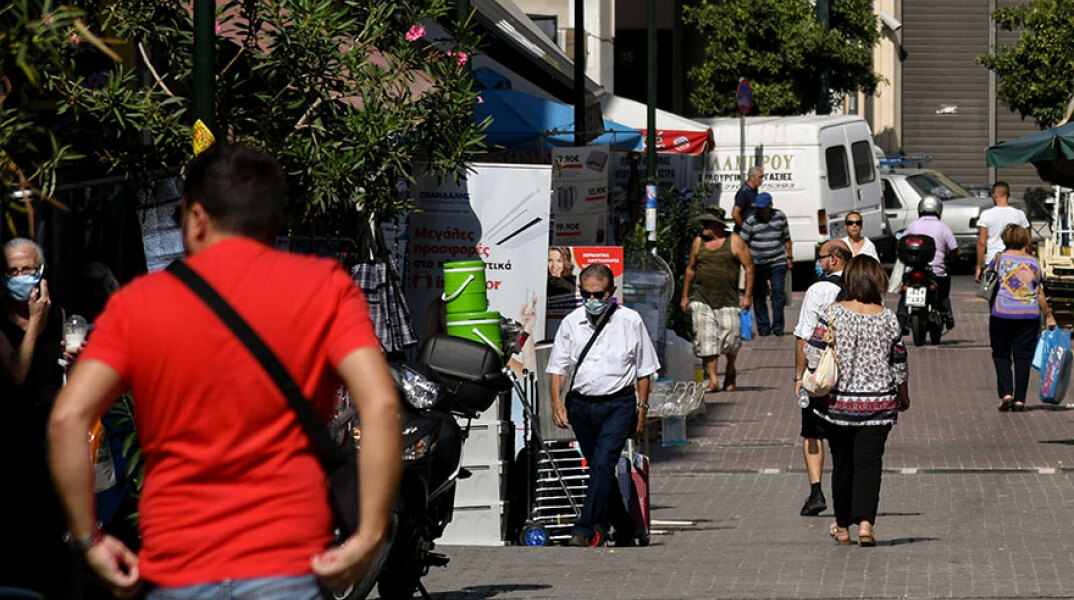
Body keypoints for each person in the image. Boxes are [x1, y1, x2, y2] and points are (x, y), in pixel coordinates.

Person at [48, 143, 402, 599]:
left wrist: (88, 540)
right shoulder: (326, 289)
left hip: (178, 566)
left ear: (196, 218)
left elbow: (66, 420)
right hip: (287, 562)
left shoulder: (140, 303)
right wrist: (369, 535)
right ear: (277, 220)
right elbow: (382, 404)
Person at [547, 264, 659, 547]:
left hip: (618, 404)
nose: (593, 301)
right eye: (587, 294)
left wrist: (642, 411)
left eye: (599, 295)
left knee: (600, 465)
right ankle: (627, 528)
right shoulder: (571, 322)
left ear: (611, 292)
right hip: (582, 406)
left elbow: (645, 370)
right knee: (601, 470)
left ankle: (583, 528)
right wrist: (556, 402)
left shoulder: (630, 321)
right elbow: (558, 366)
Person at [804, 255, 909, 546]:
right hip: (879, 406)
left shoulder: (833, 312)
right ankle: (865, 525)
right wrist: (903, 394)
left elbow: (812, 352)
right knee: (869, 465)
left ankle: (842, 527)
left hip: (839, 406)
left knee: (843, 465)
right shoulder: (888, 318)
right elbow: (899, 361)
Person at [0, 237, 73, 598]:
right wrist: (34, 323)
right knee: (21, 527)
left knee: (54, 526)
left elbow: (60, 372)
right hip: (13, 437)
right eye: (12, 271)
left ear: (41, 270)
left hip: (52, 433)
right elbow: (17, 372)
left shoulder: (56, 312)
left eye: (27, 268)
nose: (20, 276)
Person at [793, 239, 852, 517]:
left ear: (834, 260)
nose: (818, 262)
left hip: (820, 373)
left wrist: (798, 375)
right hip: (853, 372)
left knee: (813, 431)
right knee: (845, 432)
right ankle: (848, 488)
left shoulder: (818, 289)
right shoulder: (863, 285)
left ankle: (816, 491)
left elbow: (804, 335)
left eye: (821, 257)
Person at [680, 208, 754, 392]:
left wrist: (747, 296)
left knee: (731, 340)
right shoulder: (699, 242)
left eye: (707, 223)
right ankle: (713, 380)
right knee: (706, 340)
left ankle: (730, 369)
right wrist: (685, 295)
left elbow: (749, 267)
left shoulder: (735, 241)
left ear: (717, 225)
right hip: (702, 299)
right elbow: (690, 269)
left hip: (728, 299)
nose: (703, 226)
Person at [987, 223, 1057, 412]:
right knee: (1023, 357)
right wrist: (1049, 315)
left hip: (1002, 313)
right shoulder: (1033, 263)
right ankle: (1020, 400)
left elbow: (987, 278)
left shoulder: (999, 259)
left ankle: (1006, 394)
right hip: (1028, 314)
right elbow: (1039, 291)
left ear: (1005, 239)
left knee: (1001, 354)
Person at [899, 196, 959, 331]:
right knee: (943, 292)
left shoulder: (913, 225)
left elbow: (901, 242)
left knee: (904, 293)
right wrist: (951, 257)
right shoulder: (943, 227)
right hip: (936, 271)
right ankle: (947, 313)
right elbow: (954, 249)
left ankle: (901, 318)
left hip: (911, 269)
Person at [740, 192, 792, 336]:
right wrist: (745, 262)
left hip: (777, 261)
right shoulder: (751, 220)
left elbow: (787, 238)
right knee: (758, 295)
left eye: (763, 207)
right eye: (759, 207)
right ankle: (763, 326)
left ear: (770, 206)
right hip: (757, 263)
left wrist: (789, 258)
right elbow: (742, 243)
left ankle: (778, 326)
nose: (761, 210)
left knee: (778, 293)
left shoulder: (780, 217)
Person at [976, 181, 1029, 284]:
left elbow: (981, 243)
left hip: (992, 261)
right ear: (1008, 195)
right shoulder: (1019, 214)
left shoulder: (986, 214)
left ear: (995, 194)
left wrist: (978, 267)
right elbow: (1028, 241)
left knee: (993, 294)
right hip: (1014, 260)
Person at [732, 166, 764, 231]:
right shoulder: (744, 193)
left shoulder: (754, 191)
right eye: (760, 177)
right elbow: (735, 214)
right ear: (752, 177)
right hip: (744, 235)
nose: (762, 180)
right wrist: (745, 229)